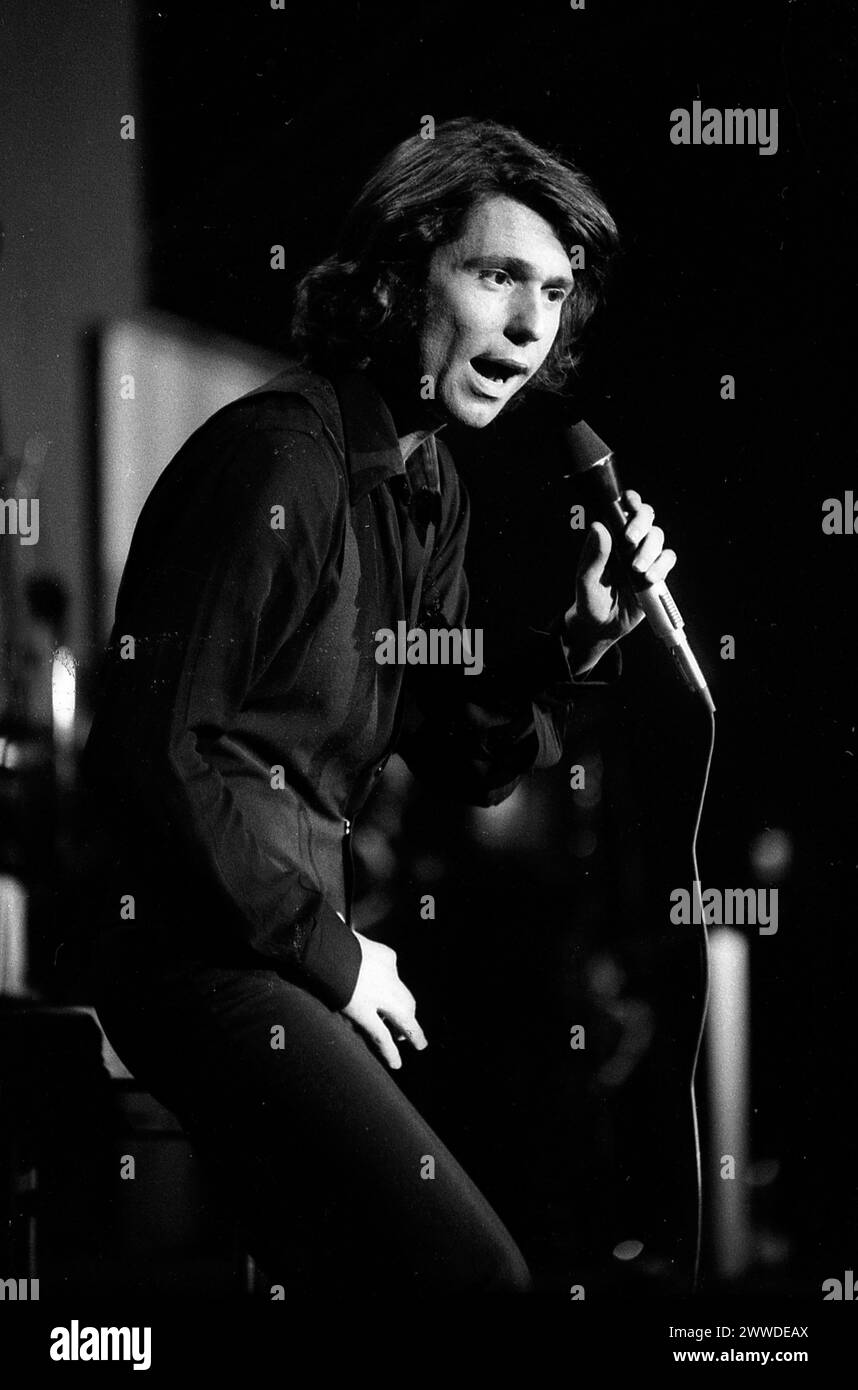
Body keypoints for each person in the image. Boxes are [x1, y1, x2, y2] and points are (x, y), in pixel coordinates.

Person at [80, 117, 677, 1297]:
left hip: (282, 955)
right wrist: (333, 955)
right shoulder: (278, 464)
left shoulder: (424, 486)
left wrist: (577, 639)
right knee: (471, 1279)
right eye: (497, 275)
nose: (531, 324)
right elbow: (158, 752)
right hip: (199, 954)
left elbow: (463, 751)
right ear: (402, 277)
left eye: (553, 292)